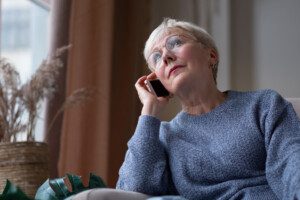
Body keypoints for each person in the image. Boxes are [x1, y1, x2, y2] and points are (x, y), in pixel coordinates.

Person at [116, 18, 300, 200]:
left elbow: (292, 164)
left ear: (211, 56)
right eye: (156, 58)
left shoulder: (263, 105)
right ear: (159, 82)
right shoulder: (163, 136)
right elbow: (133, 190)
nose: (165, 57)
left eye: (176, 43)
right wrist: (149, 111)